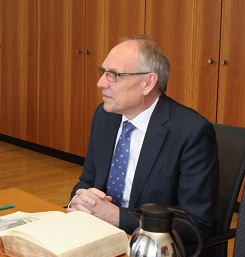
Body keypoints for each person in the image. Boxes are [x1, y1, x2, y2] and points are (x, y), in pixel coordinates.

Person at [68, 34, 219, 243]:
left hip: (154, 253)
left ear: (148, 82)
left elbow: (194, 223)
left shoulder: (191, 132)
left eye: (113, 75)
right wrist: (79, 199)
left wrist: (117, 217)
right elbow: (88, 180)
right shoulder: (105, 117)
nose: (100, 83)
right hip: (98, 236)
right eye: (103, 72)